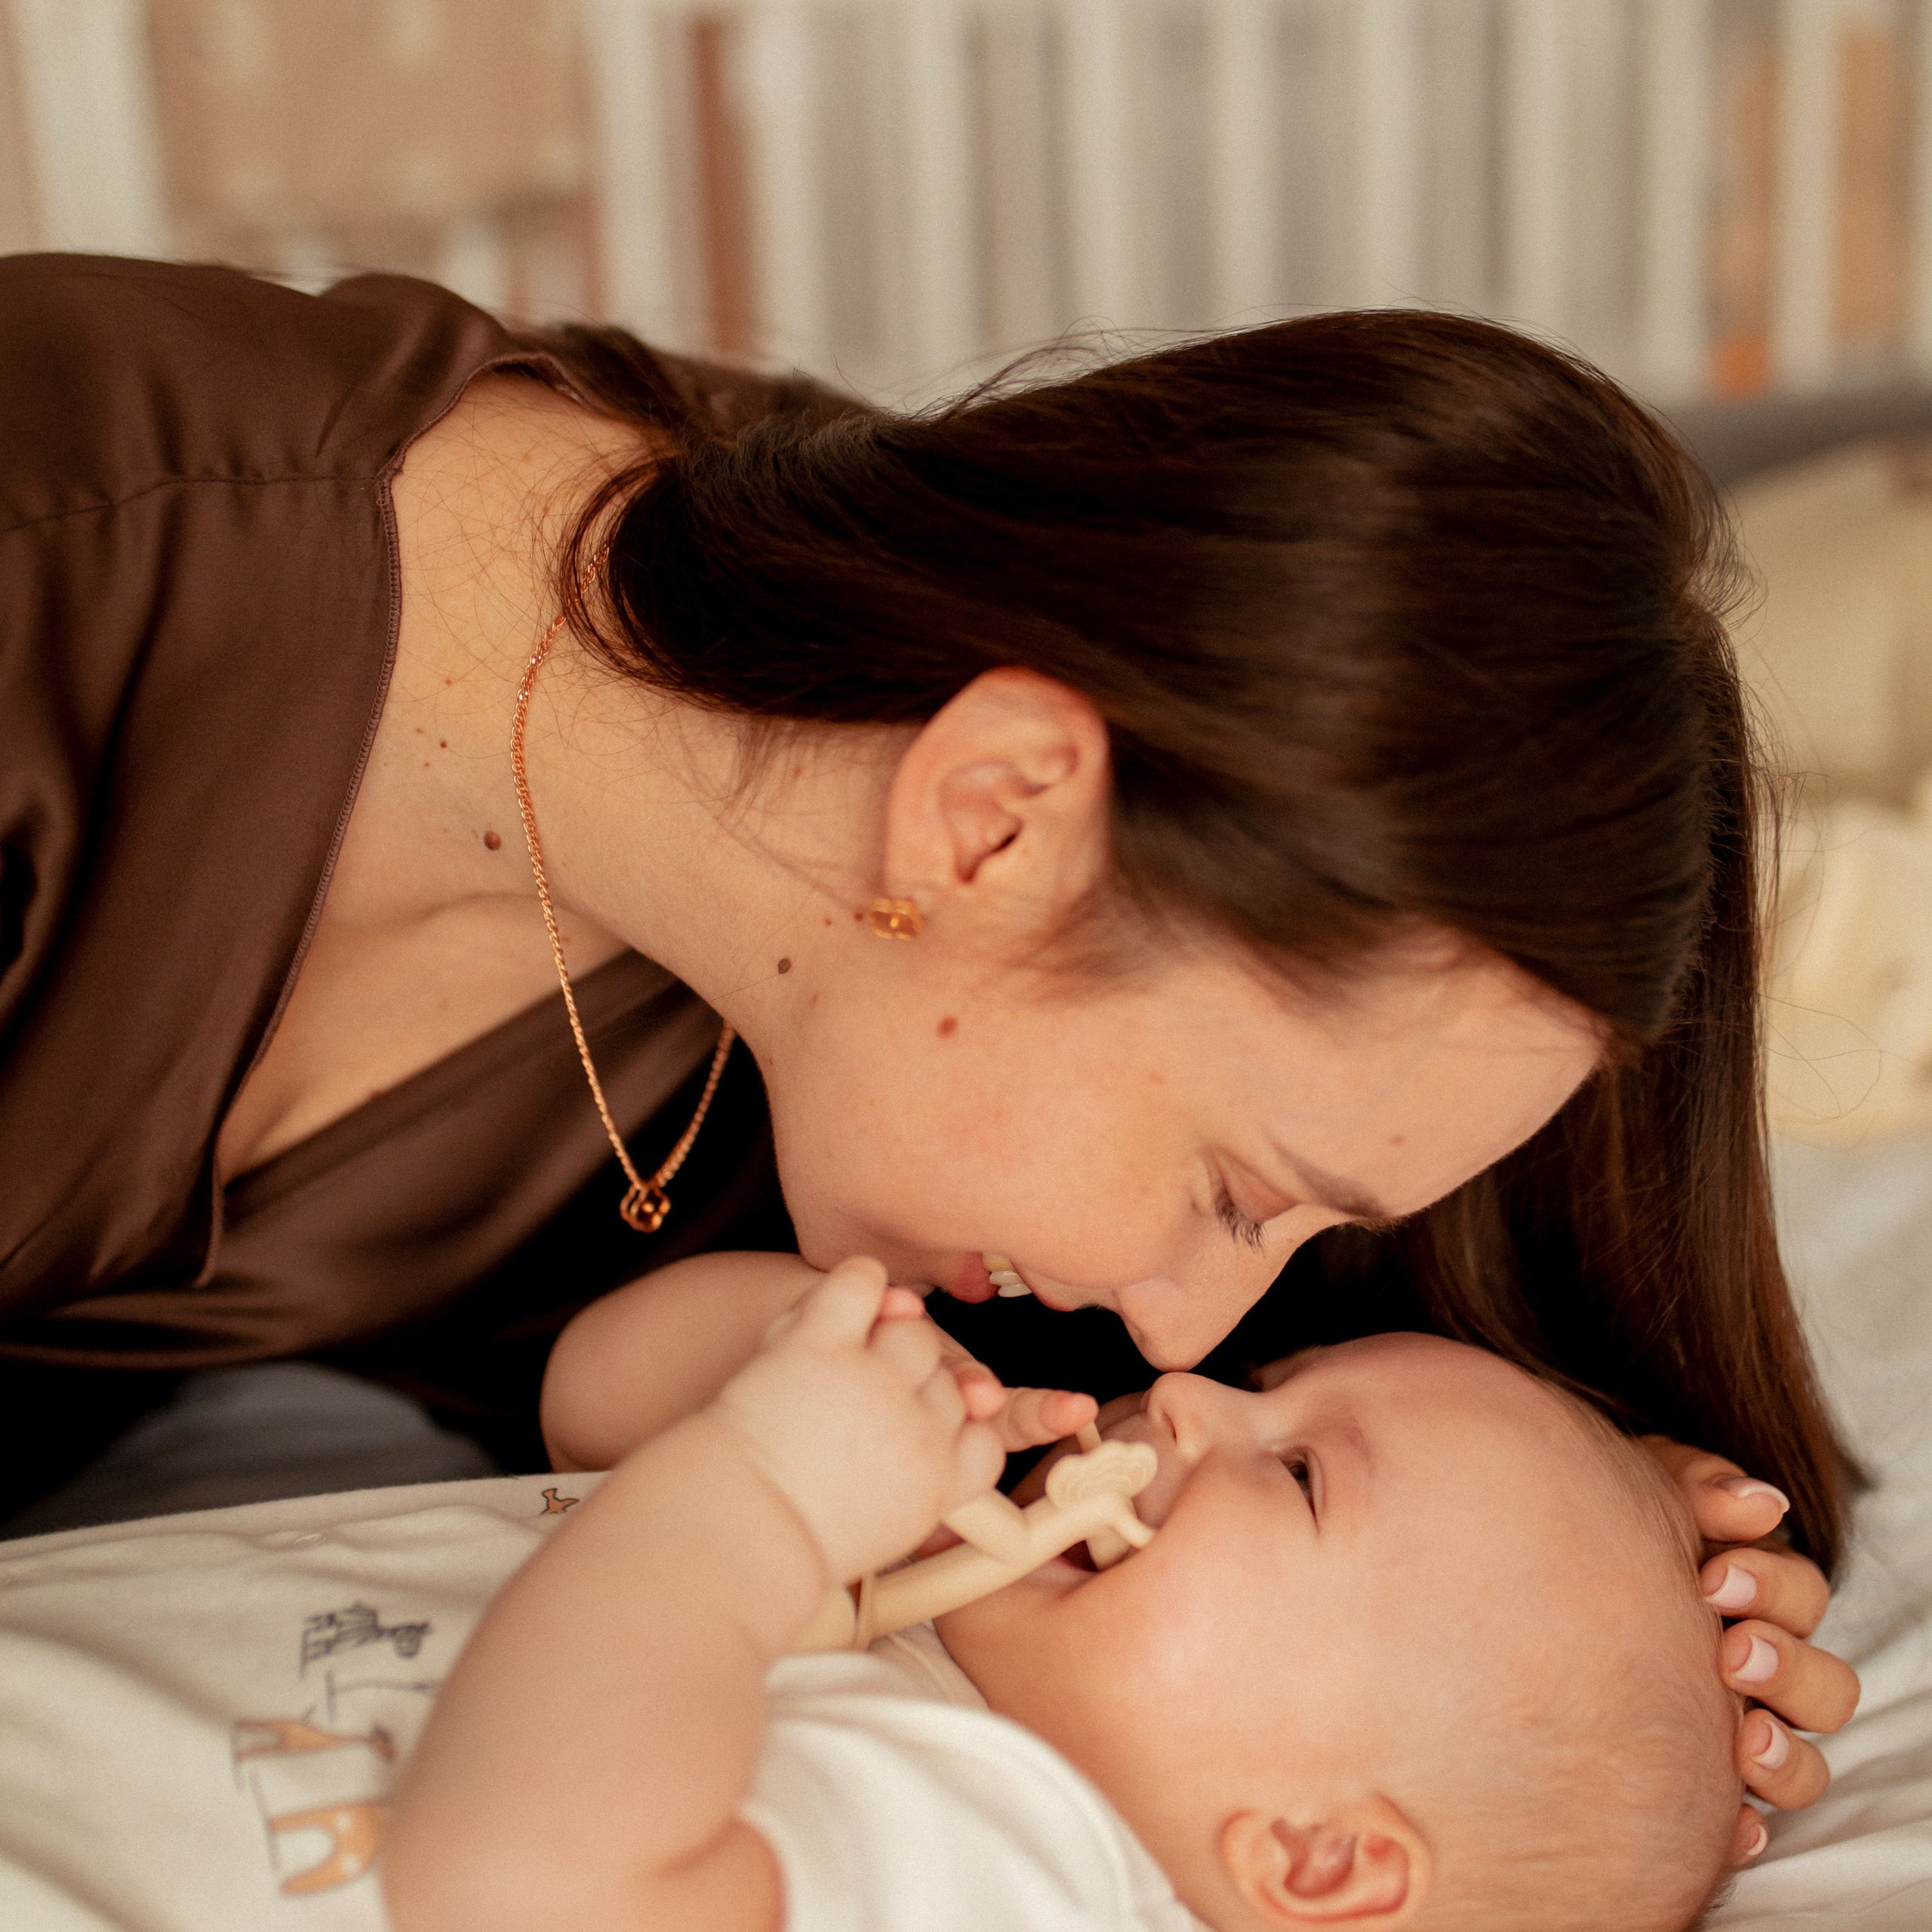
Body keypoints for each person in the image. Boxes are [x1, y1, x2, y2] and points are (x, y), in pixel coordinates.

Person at [0, 254, 1852, 1824]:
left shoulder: (836, 882)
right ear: (990, 819)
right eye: (1232, 1187)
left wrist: (1584, 1576)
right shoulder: (67, 577)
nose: (1186, 1333)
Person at [386, 1254, 1777, 1932]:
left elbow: (514, 1887)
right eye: (1266, 1387)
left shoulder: (1017, 1875)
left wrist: (763, 1485)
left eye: (1297, 1476)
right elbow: (590, 1407)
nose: (1181, 1394)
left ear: (1316, 1858)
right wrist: (811, 1363)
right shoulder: (950, 1597)